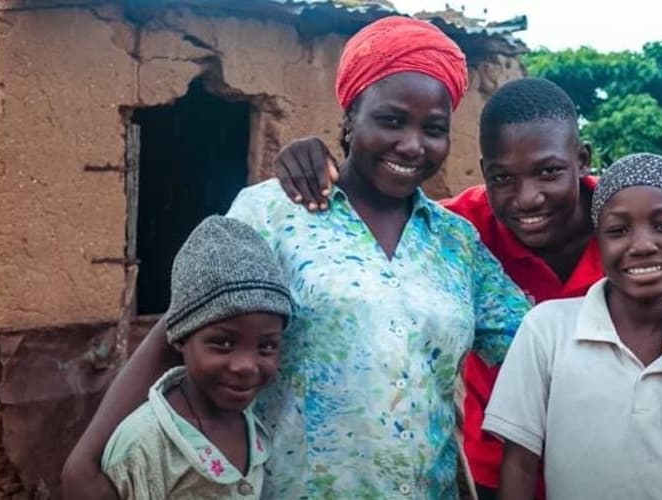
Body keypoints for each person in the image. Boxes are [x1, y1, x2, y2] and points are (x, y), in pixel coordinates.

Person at [62, 16, 531, 499]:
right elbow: (179, 327)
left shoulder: (456, 243)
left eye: (434, 129)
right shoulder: (275, 213)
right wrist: (87, 457)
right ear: (350, 116)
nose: (412, 145)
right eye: (391, 120)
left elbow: (534, 345)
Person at [266, 77, 662, 499]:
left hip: (619, 465)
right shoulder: (456, 233)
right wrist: (315, 160)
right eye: (503, 178)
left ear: (580, 160)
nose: (527, 198)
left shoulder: (632, 227)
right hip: (499, 468)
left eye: (548, 172)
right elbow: (372, 233)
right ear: (483, 173)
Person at [483, 153, 662, 500]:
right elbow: (519, 464)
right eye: (618, 230)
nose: (642, 245)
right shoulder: (547, 330)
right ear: (598, 243)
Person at [101, 216, 293, 499]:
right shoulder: (144, 445)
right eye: (224, 343)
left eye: (266, 347)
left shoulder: (252, 427)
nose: (246, 366)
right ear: (180, 336)